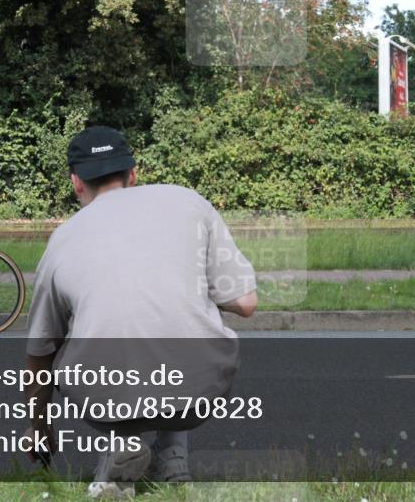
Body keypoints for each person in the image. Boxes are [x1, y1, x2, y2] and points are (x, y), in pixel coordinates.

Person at [25, 126, 258, 499]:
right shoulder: (187, 201)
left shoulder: (62, 239)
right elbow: (246, 303)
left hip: (106, 402)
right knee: (182, 322)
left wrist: (39, 427)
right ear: (133, 174)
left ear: (76, 183)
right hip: (197, 393)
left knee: (73, 338)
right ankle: (174, 459)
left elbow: (39, 353)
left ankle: (119, 452)